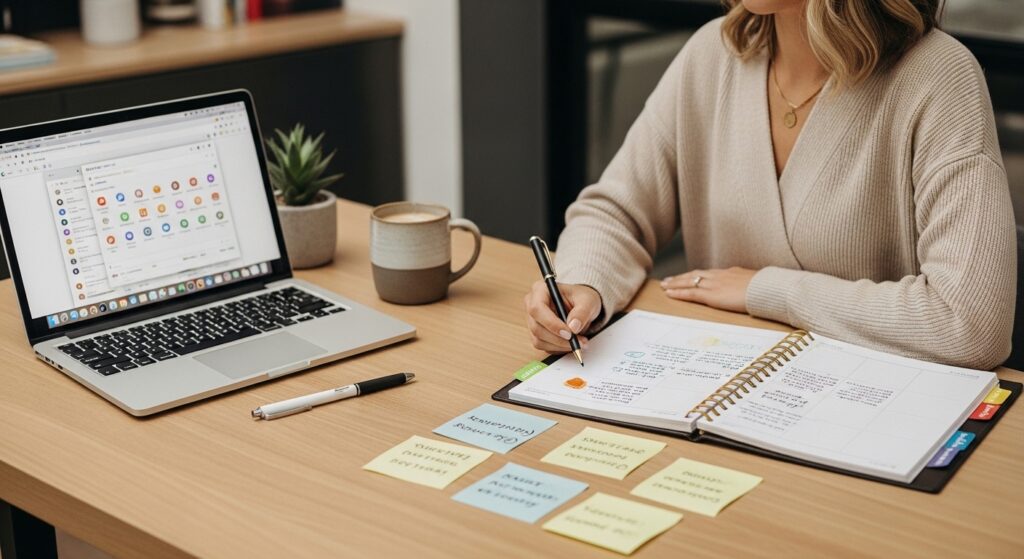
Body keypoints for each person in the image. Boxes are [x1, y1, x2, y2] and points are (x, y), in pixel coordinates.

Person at [523, 0, 1016, 370]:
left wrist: (768, 290)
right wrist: (585, 284)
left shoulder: (939, 77)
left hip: (875, 409)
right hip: (717, 386)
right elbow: (615, 213)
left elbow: (970, 322)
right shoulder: (711, 55)